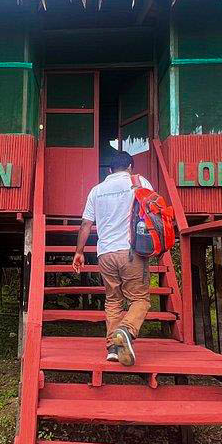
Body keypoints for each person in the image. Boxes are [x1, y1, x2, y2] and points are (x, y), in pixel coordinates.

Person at [73, 150, 152, 366]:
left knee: (113, 300)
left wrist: (79, 252)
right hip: (131, 251)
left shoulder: (96, 190)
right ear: (130, 167)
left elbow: (86, 224)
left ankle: (113, 349)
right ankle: (126, 330)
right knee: (140, 299)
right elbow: (153, 214)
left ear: (109, 170)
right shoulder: (139, 183)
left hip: (105, 254)